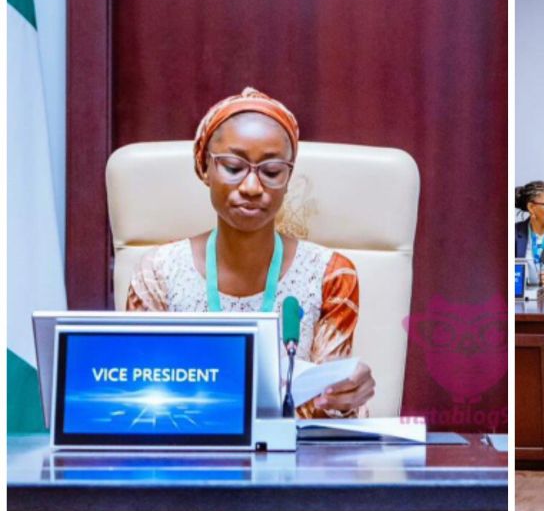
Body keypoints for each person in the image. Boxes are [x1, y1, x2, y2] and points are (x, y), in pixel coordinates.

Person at [126, 87, 374, 418]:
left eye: (272, 172)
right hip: (187, 462)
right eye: (233, 167)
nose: (252, 187)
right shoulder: (157, 273)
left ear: (288, 179)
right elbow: (141, 395)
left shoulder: (332, 275)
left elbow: (327, 408)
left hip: (296, 465)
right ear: (204, 169)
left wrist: (346, 393)